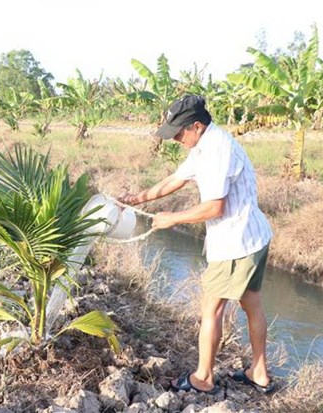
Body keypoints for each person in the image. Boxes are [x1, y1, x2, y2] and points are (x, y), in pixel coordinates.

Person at [118, 95, 276, 395]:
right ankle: (259, 372)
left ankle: (203, 378)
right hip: (252, 237)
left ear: (197, 126)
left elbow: (214, 207)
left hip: (235, 243)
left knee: (211, 310)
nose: (176, 139)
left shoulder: (217, 150)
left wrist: (172, 219)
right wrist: (136, 198)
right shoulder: (204, 145)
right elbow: (176, 179)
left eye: (179, 133)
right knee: (251, 303)